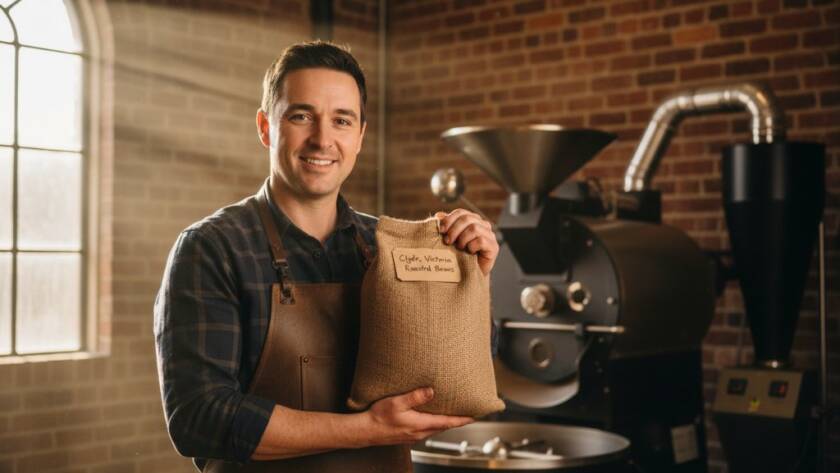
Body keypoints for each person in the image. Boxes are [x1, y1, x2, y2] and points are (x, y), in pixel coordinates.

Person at [153, 40, 500, 472]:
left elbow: (450, 375)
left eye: (341, 120)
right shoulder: (213, 248)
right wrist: (369, 430)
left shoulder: (389, 245)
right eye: (301, 116)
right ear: (265, 127)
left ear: (359, 136)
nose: (323, 139)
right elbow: (200, 418)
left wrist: (472, 281)